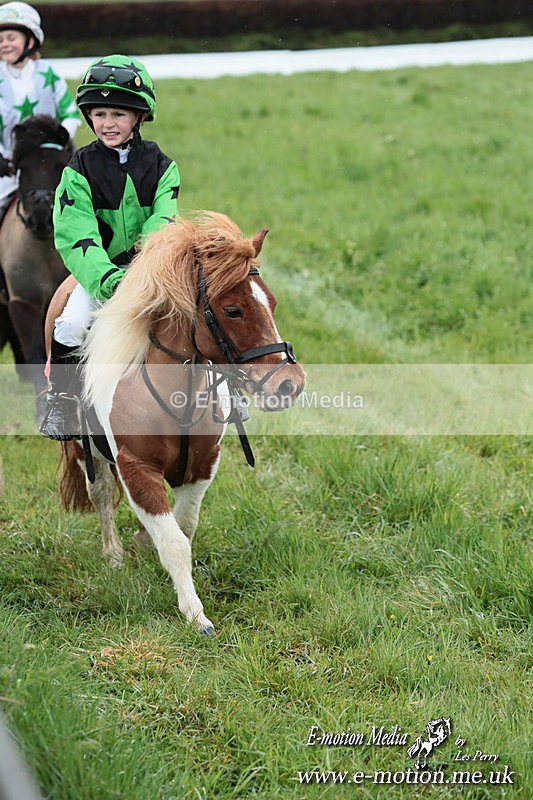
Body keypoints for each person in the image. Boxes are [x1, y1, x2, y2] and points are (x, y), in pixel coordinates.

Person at [40, 54, 181, 441]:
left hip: (150, 272)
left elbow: (164, 222)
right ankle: (63, 401)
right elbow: (76, 233)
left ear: (139, 117)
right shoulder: (78, 169)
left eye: (118, 113)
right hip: (99, 274)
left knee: (197, 317)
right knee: (68, 324)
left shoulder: (162, 166)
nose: (107, 123)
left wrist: (142, 273)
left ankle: (224, 395)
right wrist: (108, 281)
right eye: (99, 113)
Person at [0, 2, 81, 216]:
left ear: (31, 40)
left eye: (11, 38)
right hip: (8, 166)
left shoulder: (49, 73)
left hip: (50, 162)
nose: (4, 44)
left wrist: (60, 140)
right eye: (0, 40)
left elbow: (70, 115)